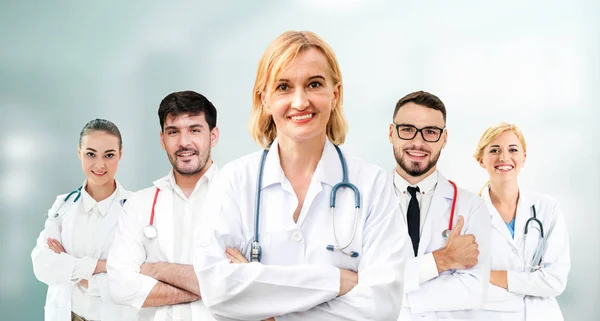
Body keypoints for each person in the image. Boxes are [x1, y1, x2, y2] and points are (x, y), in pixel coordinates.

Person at [193, 30, 409, 321]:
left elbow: (381, 305)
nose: (299, 102)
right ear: (265, 99)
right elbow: (218, 289)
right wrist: (335, 282)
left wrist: (266, 307)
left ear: (335, 94)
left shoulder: (373, 185)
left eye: (314, 84)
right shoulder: (234, 181)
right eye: (283, 87)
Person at [107, 91, 219, 321]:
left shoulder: (239, 197)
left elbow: (247, 283)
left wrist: (157, 270)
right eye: (173, 132)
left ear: (213, 136)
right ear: (162, 139)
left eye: (195, 130)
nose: (184, 142)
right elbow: (120, 285)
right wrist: (212, 288)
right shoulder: (139, 204)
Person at [388, 91, 491, 320]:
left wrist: (394, 294)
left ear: (444, 138)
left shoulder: (472, 207)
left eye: (430, 133)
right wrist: (442, 260)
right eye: (407, 130)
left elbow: (473, 292)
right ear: (391, 133)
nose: (418, 142)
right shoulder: (367, 201)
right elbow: (358, 281)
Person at [31, 119, 137, 321]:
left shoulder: (135, 210)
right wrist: (103, 266)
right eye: (91, 154)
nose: (99, 164)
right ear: (79, 152)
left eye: (109, 155)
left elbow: (133, 280)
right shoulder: (62, 206)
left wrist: (68, 265)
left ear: (120, 155)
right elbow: (42, 265)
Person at [474, 123, 570, 321]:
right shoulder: (467, 213)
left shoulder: (547, 208)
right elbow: (465, 283)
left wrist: (489, 276)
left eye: (513, 150)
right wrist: (531, 283)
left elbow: (555, 281)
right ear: (481, 160)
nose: (504, 157)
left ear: (523, 158)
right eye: (494, 150)